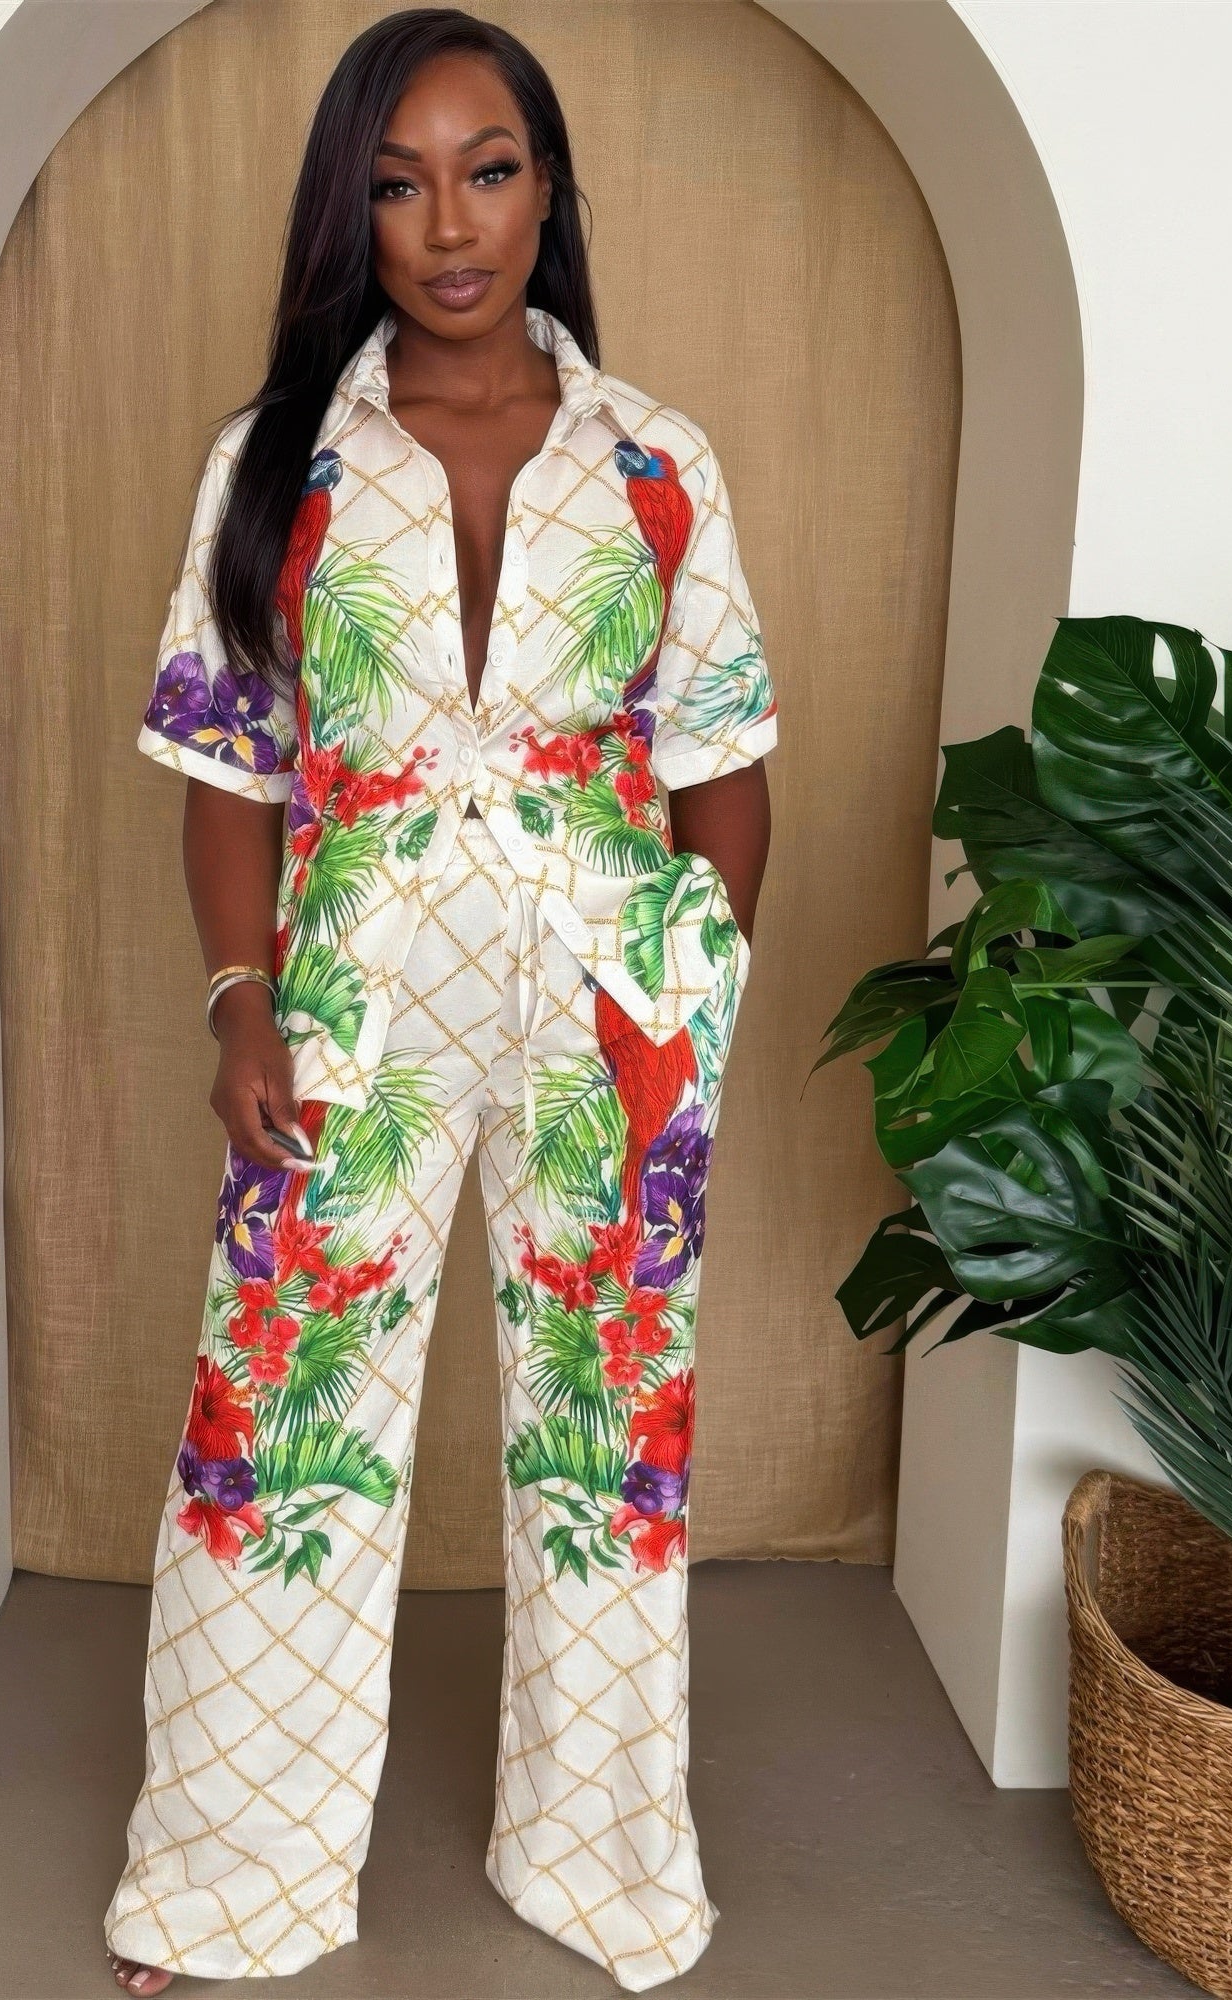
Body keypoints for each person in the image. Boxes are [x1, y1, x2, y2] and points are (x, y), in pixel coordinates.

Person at [106, 8, 776, 1993]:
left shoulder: (659, 461)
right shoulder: (281, 461)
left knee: (607, 1445)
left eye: (488, 170)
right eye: (396, 183)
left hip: (607, 1010)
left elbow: (723, 767)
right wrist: (244, 1009)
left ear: (549, 188)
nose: (447, 223)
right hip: (352, 1006)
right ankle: (235, 1877)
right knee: (281, 1433)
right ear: (352, 211)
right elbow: (229, 771)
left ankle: (601, 1859)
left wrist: (692, 985)